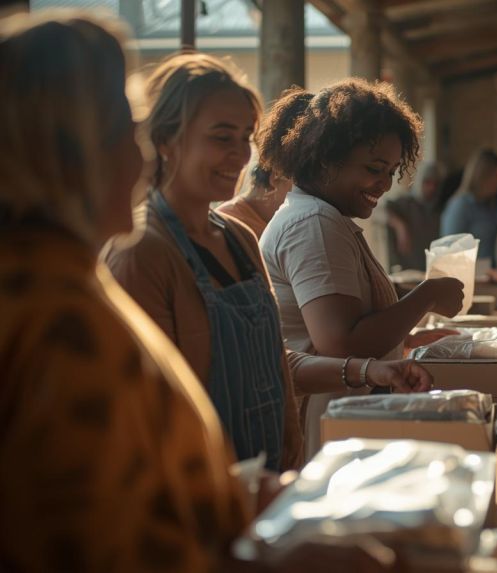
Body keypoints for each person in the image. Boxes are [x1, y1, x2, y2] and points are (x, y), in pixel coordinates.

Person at [0, 13, 388, 572]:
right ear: (56, 151)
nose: (136, 159)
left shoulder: (77, 283)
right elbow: (106, 539)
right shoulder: (57, 317)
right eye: (119, 132)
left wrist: (253, 499)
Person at [106, 55, 431, 471]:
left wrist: (371, 372)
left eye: (245, 138)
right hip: (205, 486)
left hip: (268, 474)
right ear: (165, 140)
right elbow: (143, 411)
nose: (241, 155)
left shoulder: (239, 240)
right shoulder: (141, 252)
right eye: (222, 138)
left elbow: (273, 362)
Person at [259, 80, 464, 458]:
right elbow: (341, 343)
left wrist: (407, 330)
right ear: (325, 159)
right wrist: (428, 294)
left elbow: (355, 311)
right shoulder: (314, 225)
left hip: (342, 419)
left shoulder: (324, 218)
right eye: (374, 168)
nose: (384, 184)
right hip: (326, 427)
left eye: (391, 171)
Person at [216, 88, 311, 239]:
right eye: (223, 137)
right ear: (277, 175)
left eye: (246, 138)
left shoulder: (291, 228)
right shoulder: (229, 227)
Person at [439, 148, 497, 263]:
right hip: (469, 272)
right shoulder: (461, 206)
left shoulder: (492, 205)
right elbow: (449, 247)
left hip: (491, 273)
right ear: (483, 176)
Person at [385, 160, 445, 271]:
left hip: (430, 271)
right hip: (405, 273)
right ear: (419, 181)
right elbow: (379, 210)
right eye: (427, 182)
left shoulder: (441, 209)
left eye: (436, 184)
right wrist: (400, 227)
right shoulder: (405, 203)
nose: (432, 188)